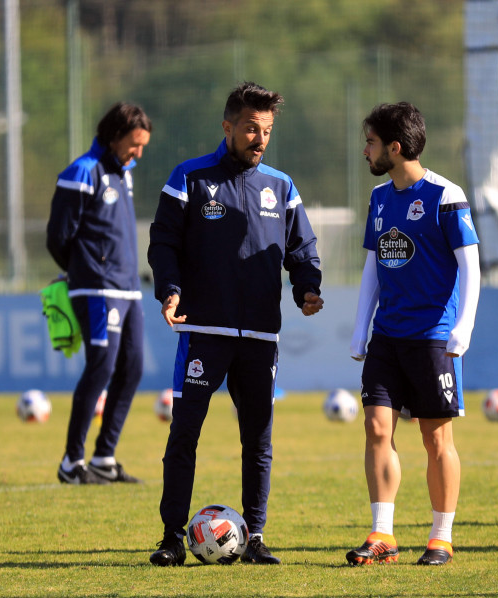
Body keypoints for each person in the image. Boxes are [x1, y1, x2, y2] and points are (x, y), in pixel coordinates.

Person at [146, 81, 324, 566]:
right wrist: (170, 289)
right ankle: (170, 537)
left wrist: (307, 286)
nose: (259, 138)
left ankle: (257, 535)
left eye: (266, 130)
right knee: (184, 433)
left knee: (259, 440)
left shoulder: (281, 186)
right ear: (227, 127)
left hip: (261, 337)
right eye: (250, 128)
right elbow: (163, 242)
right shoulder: (190, 178)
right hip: (204, 330)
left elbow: (301, 249)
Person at [346, 102, 480, 567]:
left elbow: (471, 265)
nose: (365, 151)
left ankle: (441, 537)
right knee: (376, 426)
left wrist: (463, 327)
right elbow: (373, 266)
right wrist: (360, 328)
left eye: (371, 143)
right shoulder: (380, 200)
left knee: (434, 438)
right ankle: (382, 533)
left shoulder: (446, 195)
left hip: (432, 337)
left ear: (395, 148)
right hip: (388, 336)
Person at [46, 102, 152, 485]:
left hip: (128, 288)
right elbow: (57, 237)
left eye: (143, 146)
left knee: (132, 368)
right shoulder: (82, 172)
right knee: (101, 367)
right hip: (96, 288)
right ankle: (71, 462)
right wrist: (83, 274)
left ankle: (104, 457)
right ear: (114, 136)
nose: (138, 153)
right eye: (134, 145)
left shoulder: (124, 174)